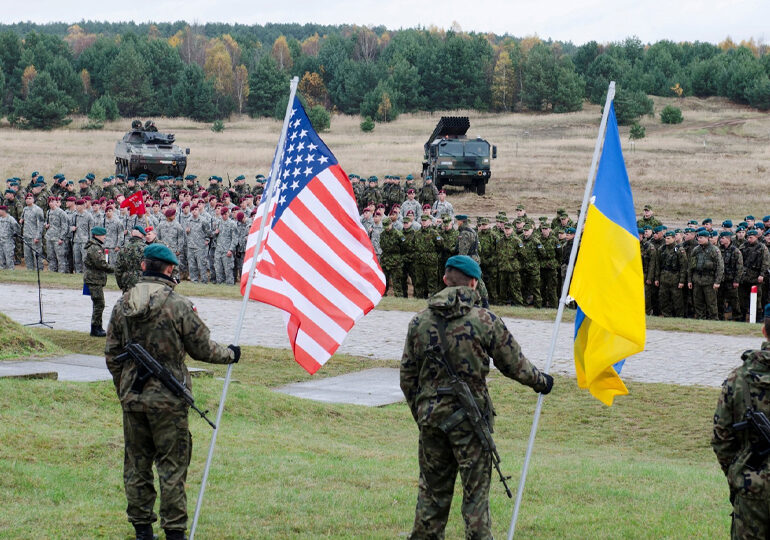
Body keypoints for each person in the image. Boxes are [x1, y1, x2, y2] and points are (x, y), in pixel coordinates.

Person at [400, 255, 553, 540]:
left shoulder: (418, 321)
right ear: (473, 283)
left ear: (445, 279)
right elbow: (515, 365)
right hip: (470, 423)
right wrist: (542, 382)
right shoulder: (485, 320)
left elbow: (407, 378)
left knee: (432, 494)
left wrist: (423, 413)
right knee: (475, 499)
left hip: (431, 419)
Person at [105, 244, 240, 540]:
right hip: (168, 401)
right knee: (172, 467)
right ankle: (175, 532)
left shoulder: (122, 304)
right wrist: (230, 353)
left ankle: (142, 530)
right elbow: (202, 348)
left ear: (143, 267)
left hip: (133, 400)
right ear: (168, 270)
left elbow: (112, 354)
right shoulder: (177, 305)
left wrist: (124, 389)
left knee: (137, 466)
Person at [712, 304, 770, 538]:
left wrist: (740, 474)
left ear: (764, 330)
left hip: (751, 489)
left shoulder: (737, 379)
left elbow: (721, 440)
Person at [83, 226, 113, 336]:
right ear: (97, 235)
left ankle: (98, 327)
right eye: (103, 235)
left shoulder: (95, 246)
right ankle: (95, 328)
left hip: (95, 279)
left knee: (98, 303)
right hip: (94, 279)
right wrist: (113, 269)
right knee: (99, 304)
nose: (105, 237)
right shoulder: (95, 248)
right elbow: (100, 263)